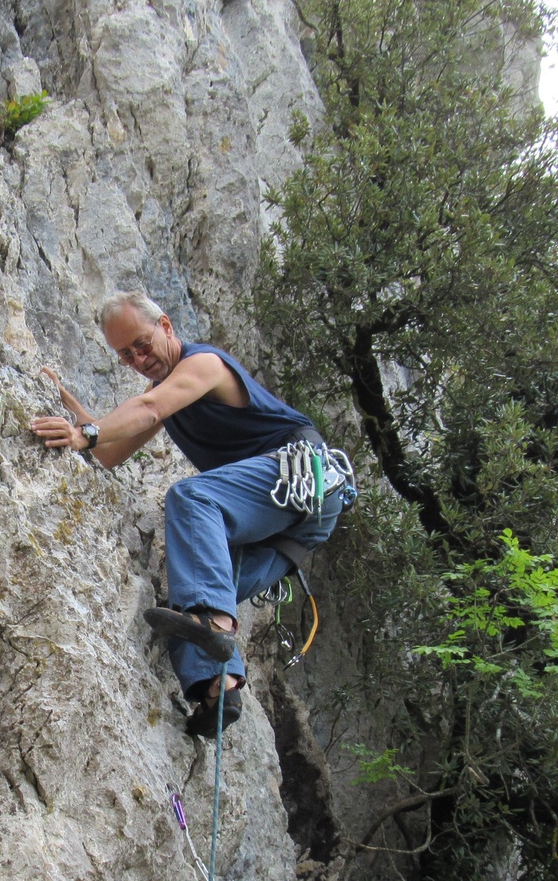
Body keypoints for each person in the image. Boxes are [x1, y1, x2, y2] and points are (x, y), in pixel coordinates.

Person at [31, 291, 345, 735]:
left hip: (300, 473)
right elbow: (108, 453)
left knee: (193, 499)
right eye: (126, 355)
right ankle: (221, 690)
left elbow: (147, 409)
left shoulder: (203, 365)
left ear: (166, 326)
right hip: (294, 524)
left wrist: (86, 431)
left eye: (142, 344)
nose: (139, 359)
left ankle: (214, 623)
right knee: (191, 585)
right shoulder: (165, 393)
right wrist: (72, 414)